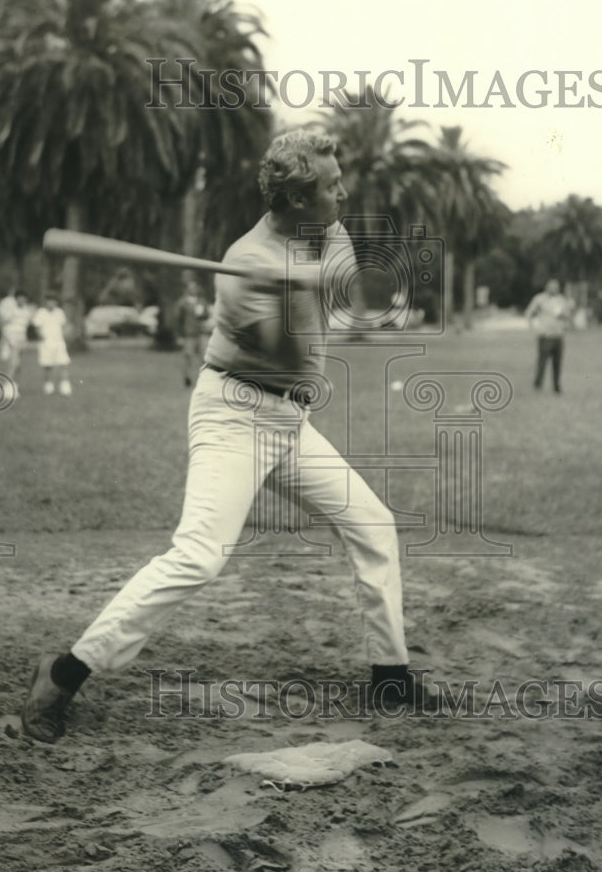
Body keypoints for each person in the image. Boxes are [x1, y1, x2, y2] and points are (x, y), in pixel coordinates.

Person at [22, 129, 435, 743]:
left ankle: (390, 676)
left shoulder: (326, 230)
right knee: (199, 556)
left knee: (373, 525)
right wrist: (290, 296)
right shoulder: (244, 271)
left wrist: (314, 281)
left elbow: (344, 281)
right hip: (234, 417)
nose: (342, 192)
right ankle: (64, 672)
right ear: (295, 200)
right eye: (328, 186)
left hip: (290, 422)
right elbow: (291, 350)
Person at [524, 278, 575, 393]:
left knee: (557, 362)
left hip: (558, 335)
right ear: (547, 287)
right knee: (542, 361)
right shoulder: (539, 299)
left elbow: (568, 316)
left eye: (556, 287)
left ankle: (557, 386)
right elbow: (529, 312)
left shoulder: (561, 300)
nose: (554, 289)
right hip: (545, 335)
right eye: (552, 286)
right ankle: (538, 384)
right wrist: (532, 327)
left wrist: (566, 317)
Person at [174, 274, 213, 388]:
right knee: (188, 357)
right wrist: (179, 335)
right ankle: (187, 378)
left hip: (201, 333)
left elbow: (206, 316)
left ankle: (204, 380)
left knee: (204, 357)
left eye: (195, 287)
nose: (193, 289)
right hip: (189, 334)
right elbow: (178, 320)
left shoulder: (202, 301)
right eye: (191, 287)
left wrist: (203, 314)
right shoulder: (183, 303)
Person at [32, 292, 72, 397]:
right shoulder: (41, 313)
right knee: (47, 365)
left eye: (54, 301)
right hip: (46, 342)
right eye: (49, 301)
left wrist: (63, 336)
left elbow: (64, 326)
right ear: (46, 302)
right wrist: (42, 337)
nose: (51, 303)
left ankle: (65, 387)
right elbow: (37, 327)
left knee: (63, 364)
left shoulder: (59, 312)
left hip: (58, 342)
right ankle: (48, 386)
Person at [0, 288, 31, 397]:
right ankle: (7, 387)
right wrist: (4, 338)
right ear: (16, 299)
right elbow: (3, 323)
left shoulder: (27, 311)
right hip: (11, 337)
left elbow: (26, 326)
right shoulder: (11, 310)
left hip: (21, 338)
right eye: (19, 298)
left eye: (24, 299)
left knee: (18, 364)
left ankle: (15, 386)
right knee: (13, 362)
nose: (22, 301)